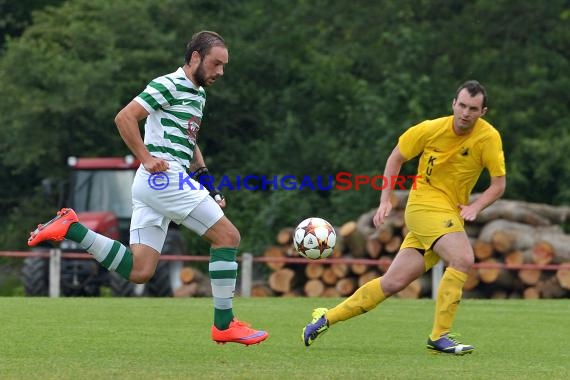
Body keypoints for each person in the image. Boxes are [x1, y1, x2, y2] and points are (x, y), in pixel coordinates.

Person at [28, 31, 269, 346]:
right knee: (228, 237)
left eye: (223, 66)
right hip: (163, 177)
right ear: (195, 57)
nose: (220, 72)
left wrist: (207, 181)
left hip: (153, 184)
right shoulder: (168, 84)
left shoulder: (198, 94)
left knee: (140, 270)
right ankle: (224, 325)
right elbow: (125, 117)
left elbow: (189, 141)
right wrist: (145, 157)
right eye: (215, 64)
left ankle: (72, 229)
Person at [302, 80, 506, 355]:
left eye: (472, 108)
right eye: (461, 105)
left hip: (448, 212)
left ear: (483, 111)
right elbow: (395, 158)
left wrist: (476, 206)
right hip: (423, 206)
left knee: (392, 283)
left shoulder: (489, 138)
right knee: (463, 259)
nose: (465, 113)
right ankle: (440, 335)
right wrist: (385, 199)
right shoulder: (430, 129)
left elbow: (498, 184)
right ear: (453, 104)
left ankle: (324, 319)